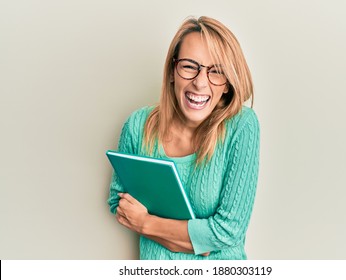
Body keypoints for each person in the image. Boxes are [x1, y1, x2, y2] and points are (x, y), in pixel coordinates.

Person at [107, 16, 260, 260]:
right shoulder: (138, 125)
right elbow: (119, 204)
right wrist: (198, 240)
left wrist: (146, 223)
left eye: (216, 71)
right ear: (172, 71)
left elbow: (227, 232)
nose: (200, 82)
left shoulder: (242, 126)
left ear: (228, 84)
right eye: (189, 66)